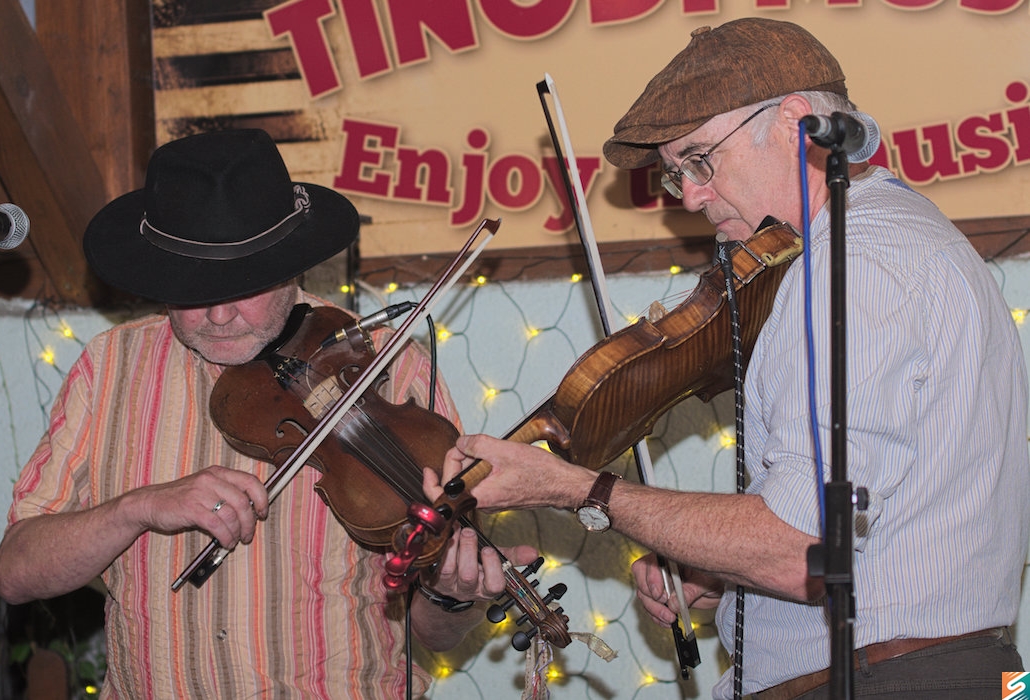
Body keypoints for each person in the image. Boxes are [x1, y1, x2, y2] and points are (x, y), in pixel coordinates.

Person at [426, 17, 1030, 699]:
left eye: (701, 160)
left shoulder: (853, 264)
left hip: (891, 682)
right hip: (955, 676)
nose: (690, 195)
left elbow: (803, 548)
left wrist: (580, 489)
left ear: (796, 123)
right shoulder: (900, 237)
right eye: (677, 174)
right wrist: (726, 574)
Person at [0, 128, 531, 698]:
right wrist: (136, 509)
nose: (219, 315)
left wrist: (451, 597)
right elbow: (15, 573)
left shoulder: (389, 369)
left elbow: (431, 633)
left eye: (243, 285)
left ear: (289, 265)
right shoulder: (108, 367)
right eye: (192, 290)